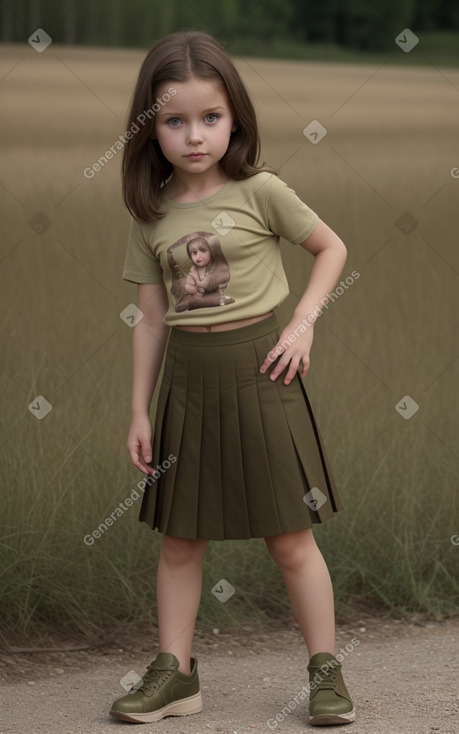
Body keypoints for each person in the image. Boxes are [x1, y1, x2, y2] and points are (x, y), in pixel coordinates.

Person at [110, 30, 355, 727]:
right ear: (148, 126)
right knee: (181, 540)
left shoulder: (261, 190)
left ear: (235, 118)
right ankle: (175, 675)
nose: (194, 135)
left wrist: (302, 322)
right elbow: (150, 318)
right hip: (186, 385)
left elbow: (330, 247)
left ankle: (326, 673)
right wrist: (138, 410)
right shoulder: (151, 211)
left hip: (262, 375)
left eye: (209, 118)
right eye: (173, 120)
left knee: (289, 537)